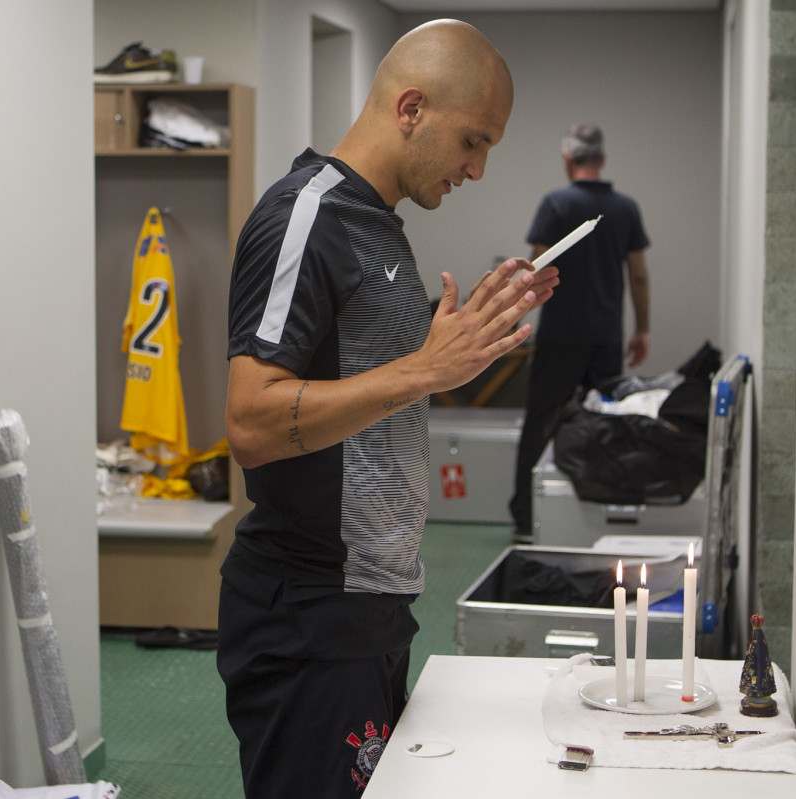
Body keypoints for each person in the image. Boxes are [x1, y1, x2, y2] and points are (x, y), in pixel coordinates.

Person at [216, 20, 558, 798]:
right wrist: (422, 369)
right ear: (411, 108)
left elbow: (389, 385)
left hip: (372, 604)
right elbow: (251, 421)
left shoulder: (382, 230)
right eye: (474, 140)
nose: (477, 168)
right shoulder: (306, 217)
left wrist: (474, 339)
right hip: (308, 616)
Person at [508, 123, 650, 541]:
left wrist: (517, 320)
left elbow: (534, 270)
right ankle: (604, 517)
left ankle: (524, 519)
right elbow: (638, 276)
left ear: (568, 159)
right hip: (606, 336)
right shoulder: (626, 208)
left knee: (540, 423)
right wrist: (642, 329)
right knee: (609, 424)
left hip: (560, 337)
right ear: (602, 159)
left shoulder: (555, 203)